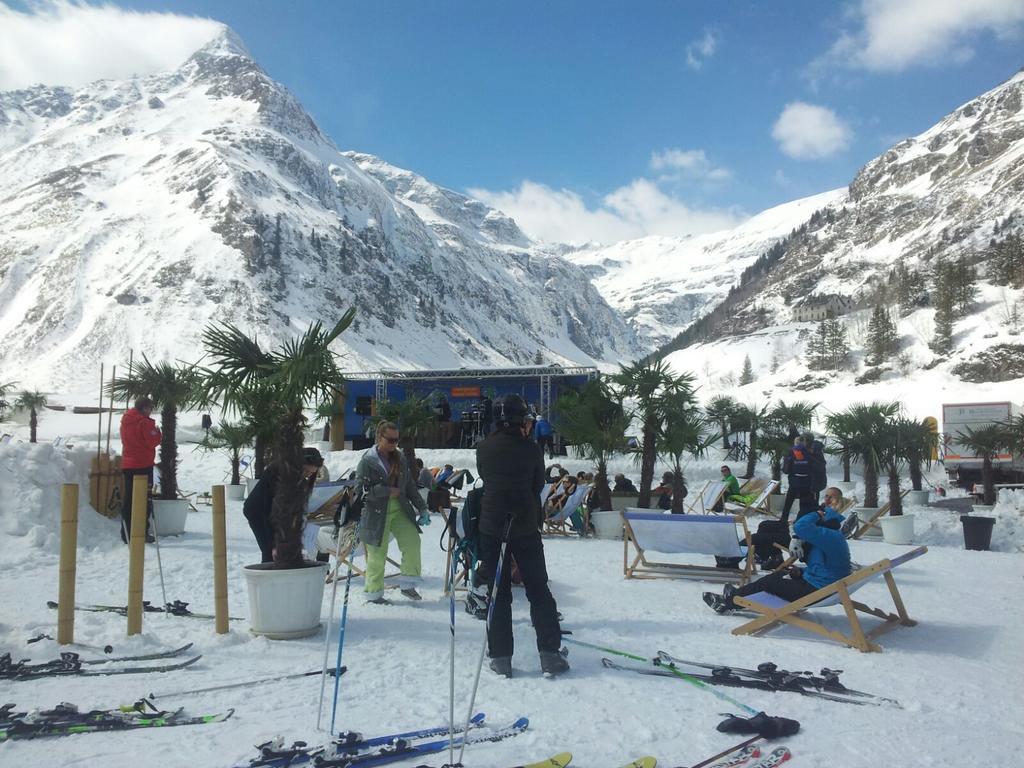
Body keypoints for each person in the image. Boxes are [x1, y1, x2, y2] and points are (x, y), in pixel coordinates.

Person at [474, 394, 567, 677]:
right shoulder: (531, 450)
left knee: (498, 593)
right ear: (520, 421)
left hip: (492, 525)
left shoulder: (484, 448)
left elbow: (486, 479)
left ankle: (501, 657)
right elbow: (538, 484)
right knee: (538, 589)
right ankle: (549, 654)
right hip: (525, 525)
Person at [703, 487, 852, 613]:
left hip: (817, 591)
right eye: (825, 496)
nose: (825, 500)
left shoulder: (830, 537)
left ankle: (727, 603)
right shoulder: (831, 537)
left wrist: (818, 513)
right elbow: (824, 569)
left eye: (830, 498)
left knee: (770, 584)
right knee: (779, 574)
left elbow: (801, 526)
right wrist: (802, 572)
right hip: (822, 586)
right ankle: (736, 596)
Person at [355, 421, 430, 604]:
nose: (394, 444)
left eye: (397, 440)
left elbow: (410, 486)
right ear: (379, 438)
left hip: (400, 509)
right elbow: (360, 490)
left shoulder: (400, 458)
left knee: (412, 542)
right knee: (377, 554)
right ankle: (374, 593)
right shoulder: (367, 461)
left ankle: (408, 584)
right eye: (390, 440)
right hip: (376, 512)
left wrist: (422, 507)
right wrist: (386, 491)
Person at [243, 447, 322, 563]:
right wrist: (273, 544)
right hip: (258, 512)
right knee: (269, 550)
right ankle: (268, 574)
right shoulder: (277, 473)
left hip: (276, 513)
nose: (308, 475)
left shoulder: (300, 480)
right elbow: (267, 511)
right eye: (305, 471)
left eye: (311, 473)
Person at [119, 397, 162, 544]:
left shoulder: (126, 420)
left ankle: (126, 533)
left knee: (129, 498)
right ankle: (141, 531)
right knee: (144, 499)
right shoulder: (144, 422)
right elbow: (153, 441)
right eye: (150, 408)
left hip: (127, 464)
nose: (151, 411)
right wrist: (158, 432)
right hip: (142, 464)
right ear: (145, 408)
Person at [780, 437, 815, 524]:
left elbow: (786, 470)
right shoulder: (808, 452)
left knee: (788, 502)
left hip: (794, 481)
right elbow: (813, 466)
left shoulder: (791, 452)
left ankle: (783, 520)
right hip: (806, 482)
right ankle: (801, 521)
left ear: (795, 443)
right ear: (804, 443)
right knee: (803, 504)